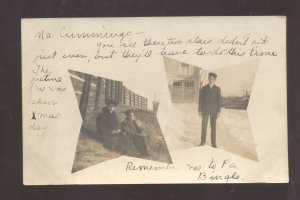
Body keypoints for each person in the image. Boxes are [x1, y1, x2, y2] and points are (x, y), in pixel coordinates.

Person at [198, 72, 222, 148]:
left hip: (214, 111)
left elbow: (219, 101)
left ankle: (213, 143)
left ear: (214, 80)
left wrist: (218, 111)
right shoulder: (204, 88)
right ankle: (202, 142)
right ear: (208, 79)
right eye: (210, 78)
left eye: (212, 79)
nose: (211, 80)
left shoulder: (217, 89)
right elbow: (200, 99)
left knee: (213, 127)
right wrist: (199, 110)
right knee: (204, 127)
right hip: (205, 110)